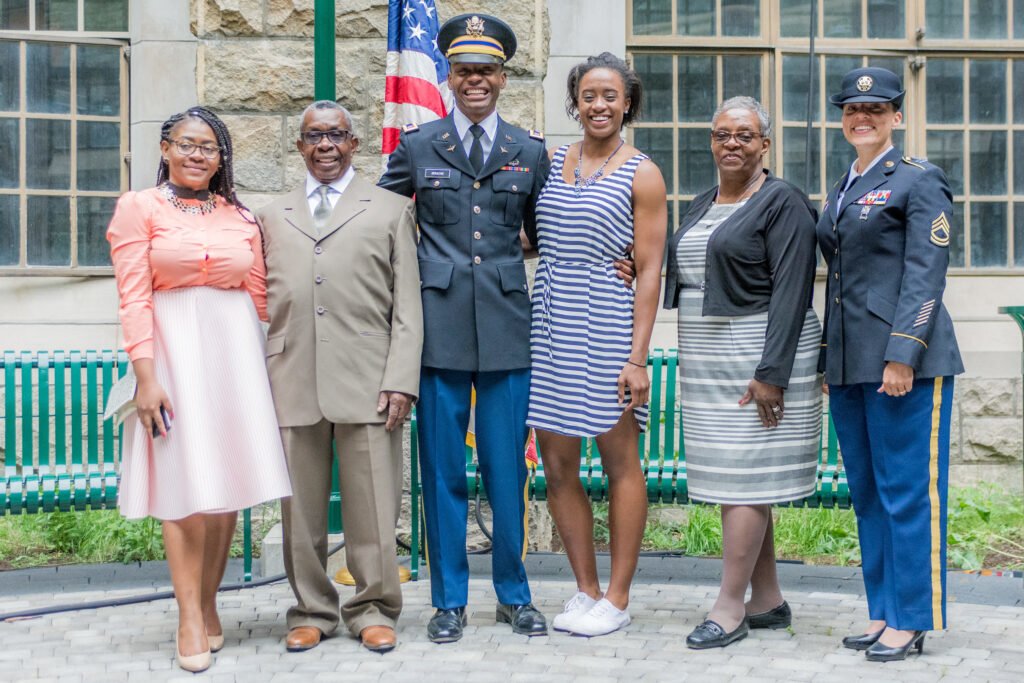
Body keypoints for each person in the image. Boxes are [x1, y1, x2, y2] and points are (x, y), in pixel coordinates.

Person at [378, 12, 550, 643]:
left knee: (507, 470)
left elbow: (550, 230)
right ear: (448, 76)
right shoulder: (418, 147)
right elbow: (379, 219)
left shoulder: (528, 151)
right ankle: (448, 600)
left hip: (507, 329)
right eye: (464, 70)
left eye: (487, 70)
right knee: (443, 470)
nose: (475, 79)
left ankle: (513, 593)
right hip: (439, 328)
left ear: (503, 78)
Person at [107, 107, 292, 673]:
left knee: (225, 484)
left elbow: (263, 295)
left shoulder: (240, 215)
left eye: (208, 147)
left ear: (221, 157)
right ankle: (188, 613)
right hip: (172, 356)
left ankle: (210, 602)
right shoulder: (139, 208)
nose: (196, 155)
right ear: (164, 148)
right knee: (183, 484)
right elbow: (133, 295)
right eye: (186, 144)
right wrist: (145, 376)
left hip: (234, 356)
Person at [256, 101, 422, 654]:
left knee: (374, 503)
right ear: (299, 146)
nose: (325, 145)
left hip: (370, 378)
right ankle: (311, 608)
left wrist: (401, 377)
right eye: (313, 136)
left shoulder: (391, 208)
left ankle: (374, 606)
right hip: (291, 375)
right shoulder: (270, 216)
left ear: (356, 143)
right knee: (298, 507)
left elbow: (408, 308)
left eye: (336, 135)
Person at [663, 96, 822, 649]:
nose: (731, 143)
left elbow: (794, 291)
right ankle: (769, 600)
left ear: (764, 145)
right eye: (722, 133)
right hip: (709, 355)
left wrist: (771, 372)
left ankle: (729, 608)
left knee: (745, 478)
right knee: (742, 482)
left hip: (761, 354)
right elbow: (689, 264)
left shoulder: (784, 203)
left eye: (744, 135)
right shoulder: (705, 200)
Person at [818, 67, 963, 662]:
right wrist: (833, 360)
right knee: (869, 494)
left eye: (876, 109)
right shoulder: (845, 185)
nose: (863, 117)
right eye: (853, 109)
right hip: (852, 364)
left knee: (906, 492)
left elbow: (926, 273)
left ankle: (912, 618)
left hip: (905, 363)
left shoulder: (917, 180)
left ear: (896, 117)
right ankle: (883, 612)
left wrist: (903, 354)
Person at [527, 53, 666, 638]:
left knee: (618, 460)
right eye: (589, 95)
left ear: (627, 101)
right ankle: (583, 590)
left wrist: (637, 358)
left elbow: (651, 269)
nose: (599, 104)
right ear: (575, 102)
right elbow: (528, 234)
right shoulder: (550, 161)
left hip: (609, 321)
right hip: (551, 317)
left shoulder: (643, 172)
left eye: (610, 95)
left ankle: (617, 594)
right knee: (558, 464)